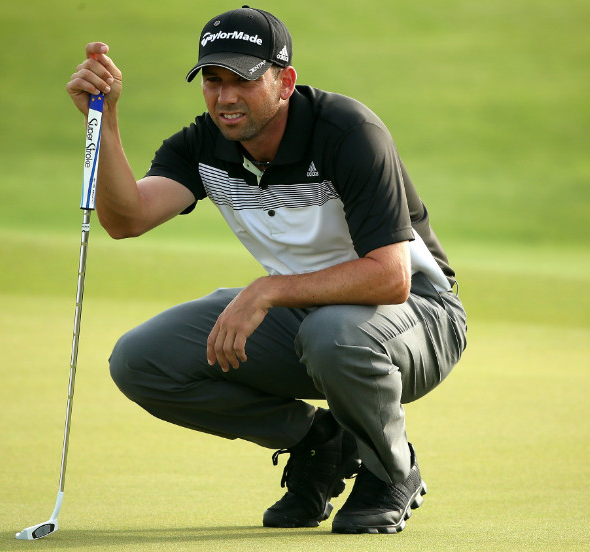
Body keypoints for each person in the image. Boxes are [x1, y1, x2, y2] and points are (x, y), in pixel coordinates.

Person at [65, 5, 467, 534]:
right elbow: (126, 219)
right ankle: (318, 443)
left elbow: (392, 278)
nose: (226, 97)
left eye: (244, 80)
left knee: (333, 334)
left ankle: (391, 471)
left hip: (420, 316)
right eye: (213, 80)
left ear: (285, 81)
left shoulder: (347, 132)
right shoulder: (206, 143)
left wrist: (267, 291)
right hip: (310, 315)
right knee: (141, 360)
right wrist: (106, 116)